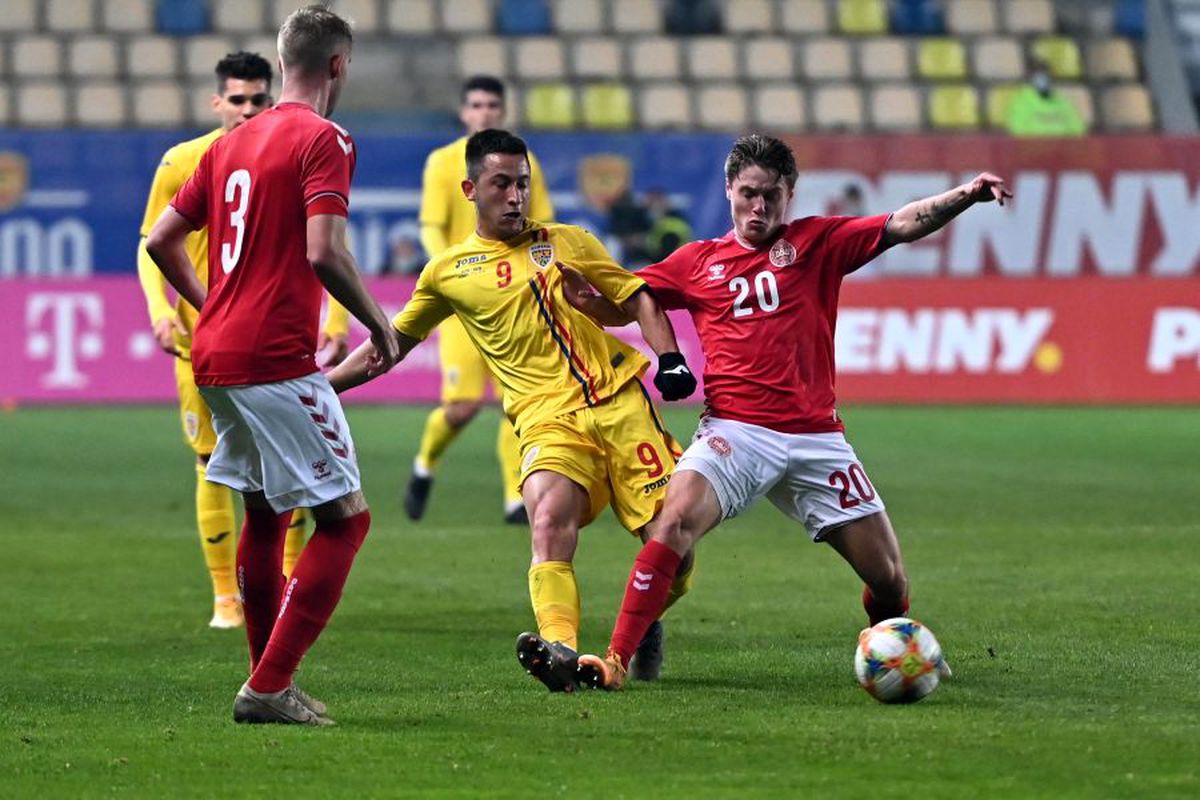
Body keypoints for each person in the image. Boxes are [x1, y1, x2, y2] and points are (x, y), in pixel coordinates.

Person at [563, 134, 1011, 690]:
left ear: (790, 193)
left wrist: (964, 195)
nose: (758, 208)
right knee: (674, 522)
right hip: (734, 432)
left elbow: (901, 223)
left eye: (770, 196)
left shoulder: (819, 242)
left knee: (889, 579)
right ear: (728, 190)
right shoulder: (696, 262)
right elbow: (632, 297)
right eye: (748, 193)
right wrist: (589, 301)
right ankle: (616, 662)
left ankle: (896, 649)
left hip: (816, 438)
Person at [327, 129, 699, 692]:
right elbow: (389, 344)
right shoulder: (448, 273)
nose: (515, 196)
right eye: (501, 184)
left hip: (620, 404)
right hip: (546, 420)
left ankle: (647, 621)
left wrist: (668, 357)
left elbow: (635, 296)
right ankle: (562, 653)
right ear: (470, 188)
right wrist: (321, 389)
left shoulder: (568, 240)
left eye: (522, 184)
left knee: (675, 546)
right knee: (548, 518)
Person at [146, 5, 401, 725]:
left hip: (216, 351)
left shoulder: (231, 142)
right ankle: (268, 685)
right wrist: (378, 323)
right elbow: (325, 250)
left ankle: (268, 683)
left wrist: (212, 301)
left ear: (282, 61)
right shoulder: (324, 138)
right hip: (273, 357)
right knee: (345, 521)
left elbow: (163, 239)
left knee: (264, 513)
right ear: (339, 66)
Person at [136, 51, 351, 630]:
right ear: (217, 102)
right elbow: (151, 242)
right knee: (215, 466)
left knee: (287, 475)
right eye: (238, 100)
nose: (249, 109)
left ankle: (274, 591)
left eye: (259, 98)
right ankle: (225, 599)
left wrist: (332, 324)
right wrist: (163, 311)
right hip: (207, 340)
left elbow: (313, 248)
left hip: (264, 339)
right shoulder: (184, 160)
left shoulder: (286, 150)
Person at [408, 75, 555, 525]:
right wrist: (451, 271)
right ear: (464, 112)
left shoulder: (524, 163)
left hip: (513, 302)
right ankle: (424, 464)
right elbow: (431, 224)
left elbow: (543, 223)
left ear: (501, 111)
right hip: (463, 306)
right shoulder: (443, 163)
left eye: (492, 104)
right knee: (462, 408)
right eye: (476, 104)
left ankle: (516, 495)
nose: (484, 112)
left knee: (519, 402)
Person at [1005, 60, 1086, 137]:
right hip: (1034, 147)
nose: (1042, 79)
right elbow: (1017, 130)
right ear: (1030, 78)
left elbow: (1078, 129)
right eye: (1037, 75)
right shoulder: (1021, 101)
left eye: (1045, 75)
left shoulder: (1062, 100)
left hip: (1062, 148)